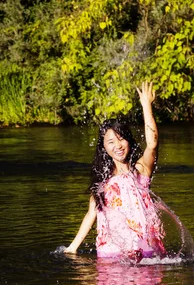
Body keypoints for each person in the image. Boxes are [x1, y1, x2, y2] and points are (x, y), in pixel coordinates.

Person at [65, 81, 166, 261]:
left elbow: (152, 143)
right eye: (111, 142)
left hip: (145, 252)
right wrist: (73, 247)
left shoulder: (141, 170)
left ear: (129, 141)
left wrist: (146, 106)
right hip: (110, 254)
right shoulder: (103, 180)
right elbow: (91, 214)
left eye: (121, 139)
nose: (117, 146)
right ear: (104, 147)